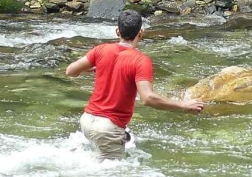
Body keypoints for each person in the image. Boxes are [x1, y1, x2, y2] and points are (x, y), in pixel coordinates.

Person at [65, 9, 204, 159]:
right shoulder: (140, 61)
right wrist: (184, 105)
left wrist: (89, 68)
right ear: (141, 33)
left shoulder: (100, 50)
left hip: (87, 120)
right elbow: (148, 98)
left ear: (117, 31)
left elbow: (70, 71)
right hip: (108, 127)